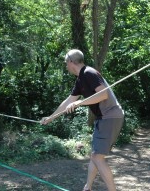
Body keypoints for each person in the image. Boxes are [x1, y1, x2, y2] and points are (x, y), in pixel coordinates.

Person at [40, 49, 124, 191]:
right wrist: (51, 118)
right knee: (95, 156)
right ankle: (88, 187)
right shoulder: (81, 79)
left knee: (97, 157)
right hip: (104, 117)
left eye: (66, 63)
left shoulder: (89, 73)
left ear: (71, 62)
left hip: (109, 116)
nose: (66, 66)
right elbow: (69, 101)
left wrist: (80, 103)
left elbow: (103, 95)